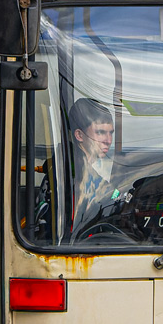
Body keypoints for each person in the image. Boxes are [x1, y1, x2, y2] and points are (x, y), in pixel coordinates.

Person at [68, 98, 118, 230]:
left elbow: (112, 194)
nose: (108, 140)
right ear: (79, 135)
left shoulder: (90, 170)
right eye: (100, 132)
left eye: (111, 133)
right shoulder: (75, 176)